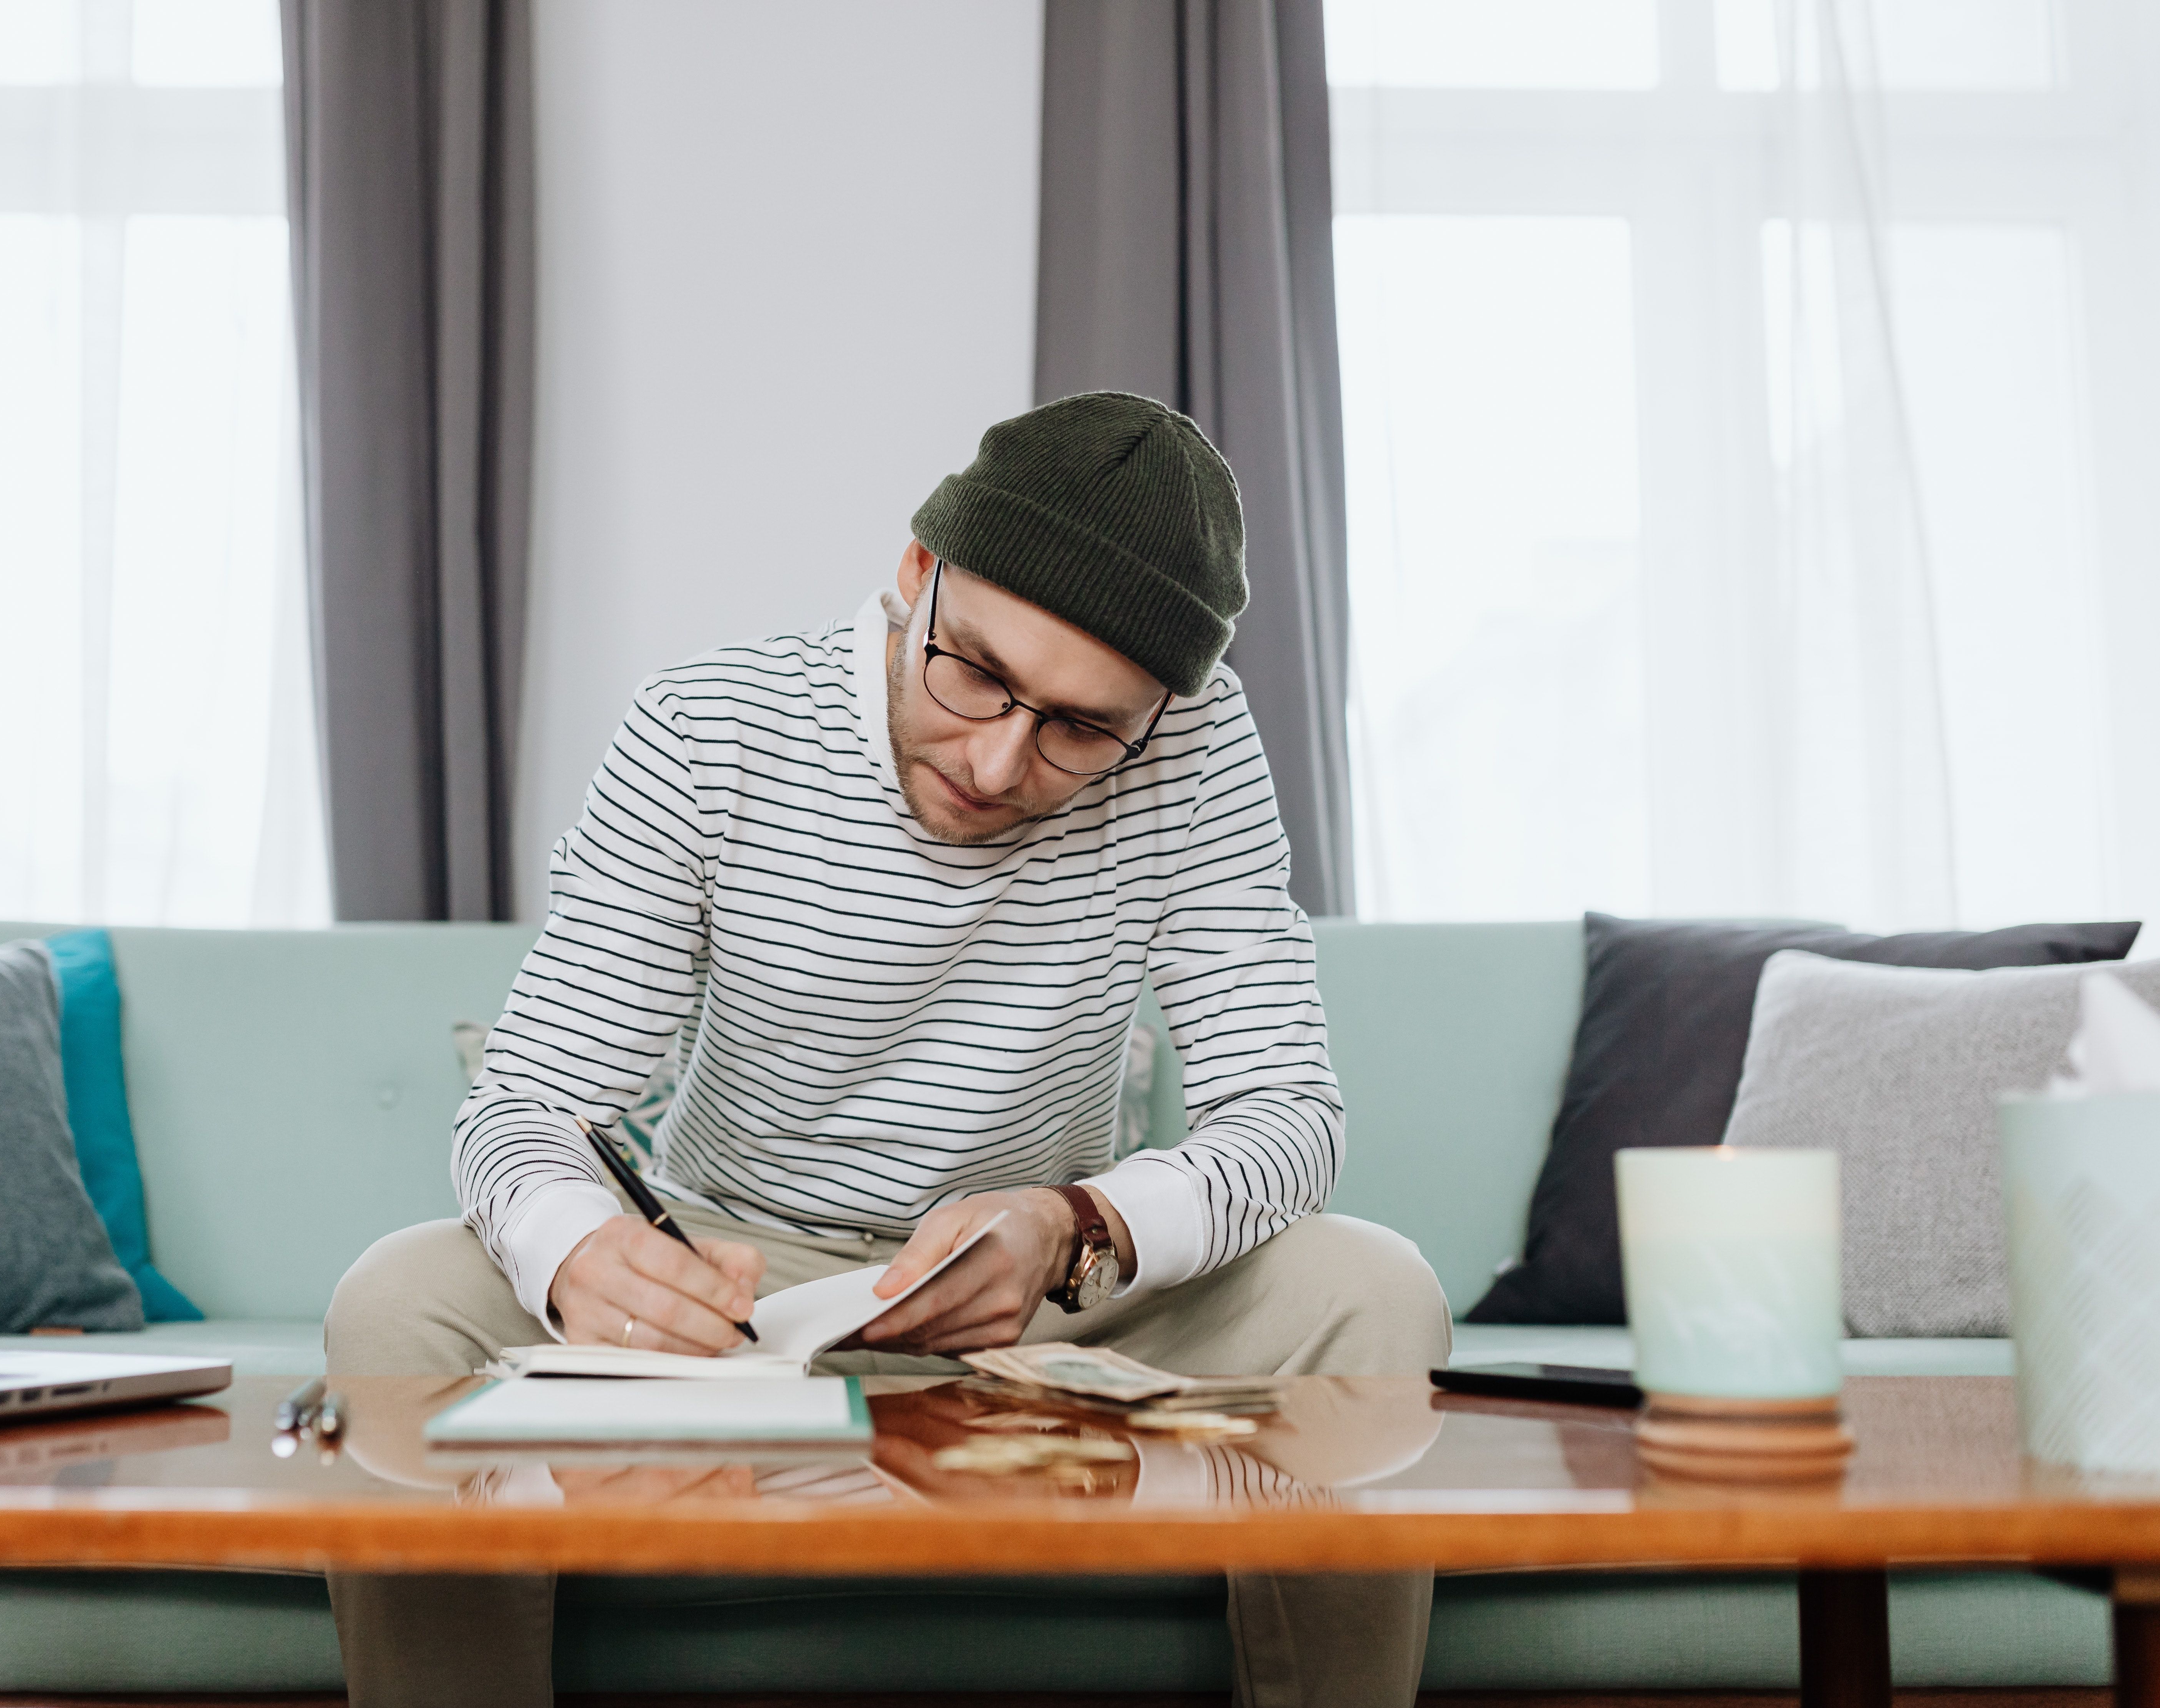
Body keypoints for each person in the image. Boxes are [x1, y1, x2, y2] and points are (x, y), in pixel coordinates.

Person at [325, 392, 1452, 1708]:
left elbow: (1287, 1115)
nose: (995, 760)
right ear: (915, 576)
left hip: (1038, 1286)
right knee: (393, 1300)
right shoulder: (706, 729)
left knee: (1376, 1291)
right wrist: (583, 1253)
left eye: (1080, 728)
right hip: (737, 1279)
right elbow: (526, 1101)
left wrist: (1075, 1226)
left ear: (1150, 714)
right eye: (972, 672)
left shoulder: (1193, 757)